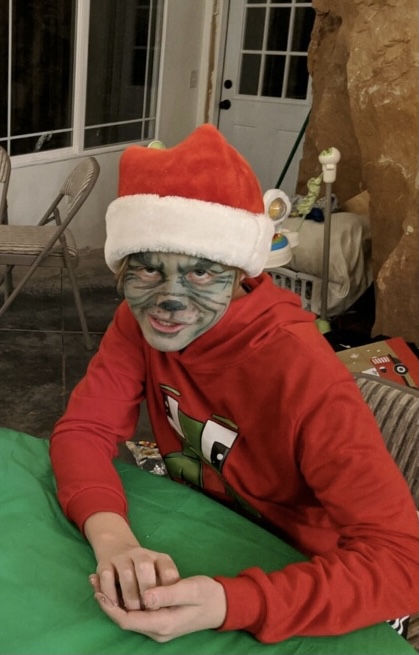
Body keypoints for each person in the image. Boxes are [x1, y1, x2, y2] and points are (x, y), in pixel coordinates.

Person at [49, 124, 418, 644]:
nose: (169, 300)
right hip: (208, 528)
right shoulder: (137, 322)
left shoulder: (302, 373)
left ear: (240, 270)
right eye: (146, 270)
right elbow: (84, 429)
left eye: (202, 273)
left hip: (314, 582)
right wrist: (112, 538)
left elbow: (402, 563)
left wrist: (233, 602)